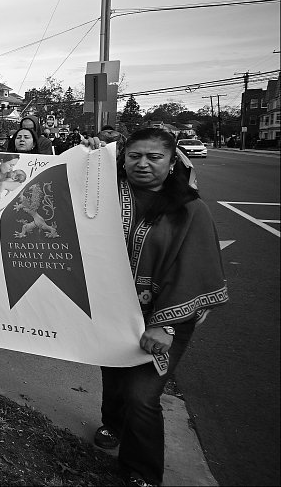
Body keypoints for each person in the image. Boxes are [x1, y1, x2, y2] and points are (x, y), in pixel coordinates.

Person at [88, 128, 228, 487]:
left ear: (171, 162)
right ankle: (113, 424)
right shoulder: (102, 193)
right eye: (134, 155)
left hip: (164, 320)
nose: (143, 164)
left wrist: (164, 324)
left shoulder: (189, 209)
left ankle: (141, 471)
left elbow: (194, 269)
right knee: (116, 377)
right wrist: (86, 158)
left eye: (155, 157)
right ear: (122, 158)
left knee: (143, 395)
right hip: (111, 310)